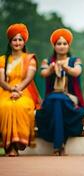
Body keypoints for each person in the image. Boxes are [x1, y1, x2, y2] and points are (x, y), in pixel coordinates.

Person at [35, 28, 84, 156]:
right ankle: (60, 144)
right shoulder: (47, 62)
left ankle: (57, 145)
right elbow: (43, 73)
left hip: (71, 98)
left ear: (68, 45)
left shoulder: (75, 60)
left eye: (64, 43)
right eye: (58, 44)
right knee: (57, 101)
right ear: (54, 46)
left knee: (58, 101)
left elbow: (77, 72)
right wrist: (52, 68)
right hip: (52, 98)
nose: (62, 46)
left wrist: (65, 66)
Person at [0, 23, 40, 156]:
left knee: (21, 106)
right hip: (5, 90)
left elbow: (29, 78)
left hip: (25, 91)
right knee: (4, 106)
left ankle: (17, 144)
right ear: (10, 42)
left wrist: (18, 91)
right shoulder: (2, 60)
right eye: (14, 39)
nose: (17, 42)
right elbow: (1, 81)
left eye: (20, 39)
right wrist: (12, 90)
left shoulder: (29, 59)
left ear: (24, 41)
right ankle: (8, 146)